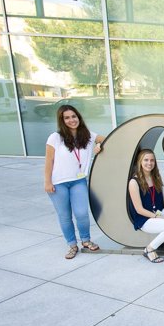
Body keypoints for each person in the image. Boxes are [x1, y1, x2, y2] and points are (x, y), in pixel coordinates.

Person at [44, 104, 105, 259]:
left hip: (78, 181)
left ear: (78, 117)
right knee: (64, 216)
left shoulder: (88, 135)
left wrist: (99, 145)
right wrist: (47, 182)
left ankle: (85, 240)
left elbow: (107, 140)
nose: (71, 120)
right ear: (62, 120)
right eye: (67, 118)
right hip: (58, 183)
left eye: (74, 116)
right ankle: (72, 245)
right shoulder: (55, 137)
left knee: (82, 213)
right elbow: (49, 161)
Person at [128, 149, 164, 263]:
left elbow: (158, 193)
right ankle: (149, 249)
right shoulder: (134, 182)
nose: (149, 163)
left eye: (152, 160)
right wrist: (158, 217)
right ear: (140, 161)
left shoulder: (155, 176)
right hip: (145, 219)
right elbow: (139, 209)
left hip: (157, 211)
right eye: (146, 160)